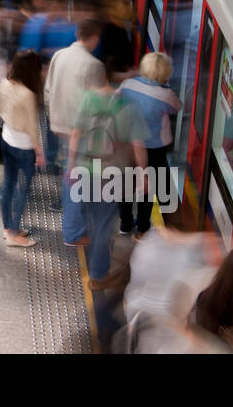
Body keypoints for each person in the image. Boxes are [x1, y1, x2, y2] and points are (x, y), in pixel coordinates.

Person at [70, 56, 147, 281]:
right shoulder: (128, 105)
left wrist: (71, 166)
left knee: (95, 220)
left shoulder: (87, 100)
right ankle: (99, 272)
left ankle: (98, 257)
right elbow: (139, 145)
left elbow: (76, 134)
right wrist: (142, 173)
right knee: (104, 223)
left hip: (87, 167)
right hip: (114, 173)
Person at [44, 18, 105, 246]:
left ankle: (74, 223)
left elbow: (48, 90)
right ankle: (73, 233)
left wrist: (53, 118)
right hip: (82, 131)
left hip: (60, 125)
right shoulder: (94, 65)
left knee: (70, 172)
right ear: (94, 37)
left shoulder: (59, 55)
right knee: (76, 178)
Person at [118, 52, 183, 236]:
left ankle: (125, 223)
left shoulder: (128, 84)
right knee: (147, 189)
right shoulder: (165, 94)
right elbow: (177, 107)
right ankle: (143, 228)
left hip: (127, 144)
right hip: (153, 148)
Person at [0, 50, 46, 248]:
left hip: (6, 139)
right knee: (22, 191)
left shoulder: (5, 83)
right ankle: (14, 235)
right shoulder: (28, 94)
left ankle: (8, 227)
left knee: (8, 184)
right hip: (24, 147)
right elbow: (33, 127)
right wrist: (40, 152)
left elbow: (0, 110)